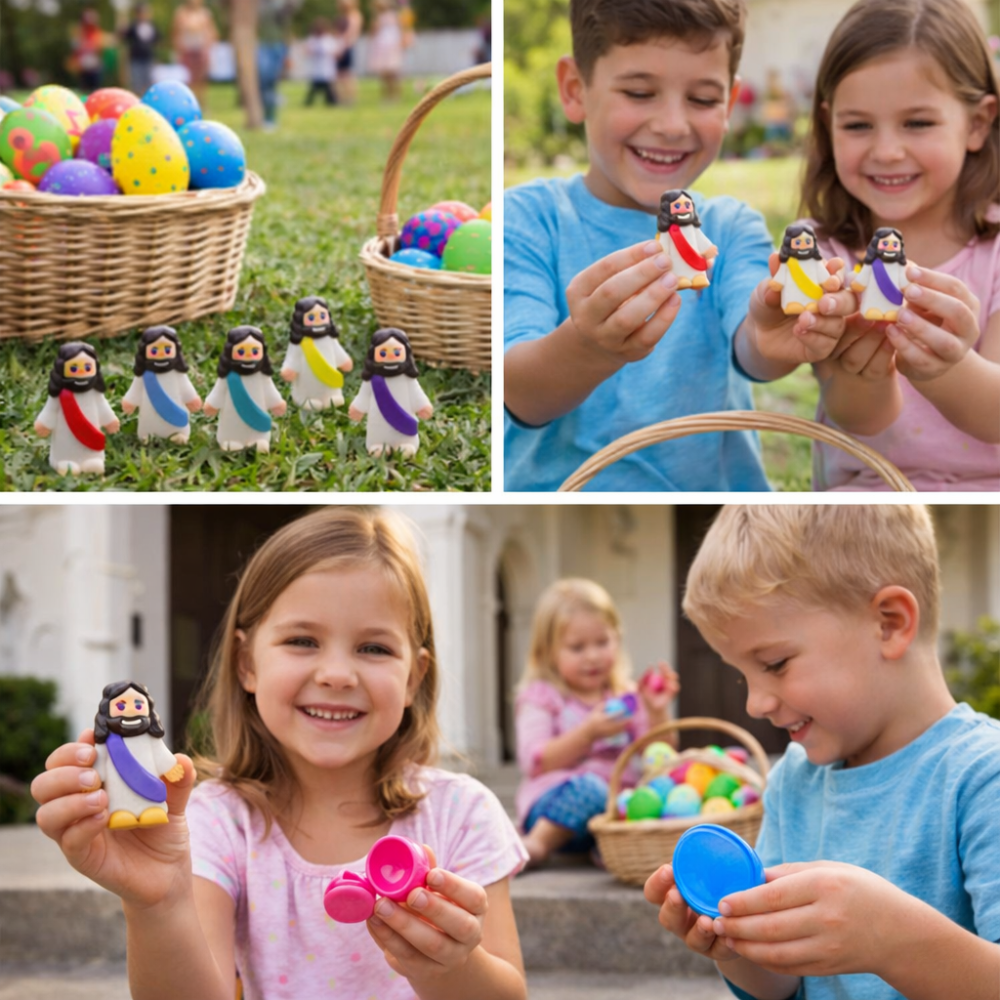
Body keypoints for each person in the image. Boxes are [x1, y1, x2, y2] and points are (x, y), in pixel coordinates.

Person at [30, 507, 530, 1000]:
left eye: (374, 648)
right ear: (247, 663)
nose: (337, 674)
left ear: (413, 679)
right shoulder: (215, 823)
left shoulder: (462, 815)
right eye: (302, 640)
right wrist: (158, 904)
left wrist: (450, 968)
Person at [645, 505, 1000, 1000]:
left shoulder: (984, 776)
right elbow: (785, 987)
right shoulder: (794, 780)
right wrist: (739, 946)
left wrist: (890, 939)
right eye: (743, 674)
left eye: (775, 663)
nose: (755, 702)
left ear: (890, 624)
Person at [503, 0, 859, 491]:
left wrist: (776, 332)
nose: (672, 124)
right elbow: (519, 392)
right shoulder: (528, 220)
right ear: (574, 89)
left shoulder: (731, 228)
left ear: (730, 104)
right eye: (639, 91)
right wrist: (586, 348)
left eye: (702, 99)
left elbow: (754, 347)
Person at [795, 0, 1000, 491]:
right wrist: (860, 371)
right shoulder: (821, 255)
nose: (887, 151)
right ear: (828, 123)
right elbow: (857, 418)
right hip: (868, 489)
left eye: (918, 123)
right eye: (858, 125)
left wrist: (944, 367)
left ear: (977, 123)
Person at [515, 578, 680, 866]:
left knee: (658, 791)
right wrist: (588, 734)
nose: (592, 656)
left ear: (617, 638)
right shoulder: (543, 696)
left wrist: (656, 712)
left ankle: (608, 848)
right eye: (577, 648)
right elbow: (536, 760)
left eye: (602, 642)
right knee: (591, 789)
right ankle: (537, 845)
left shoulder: (625, 695)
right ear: (548, 653)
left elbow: (659, 757)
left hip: (614, 809)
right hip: (554, 806)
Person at [171, 0, 218, 109]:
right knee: (189, 79)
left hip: (201, 49)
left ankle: (202, 104)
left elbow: (212, 32)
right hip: (187, 50)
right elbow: (175, 32)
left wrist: (209, 46)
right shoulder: (181, 13)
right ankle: (189, 103)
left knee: (202, 79)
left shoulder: (205, 13)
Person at [257, 0, 294, 129]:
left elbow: (286, 27)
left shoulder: (279, 4)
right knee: (263, 83)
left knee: (269, 83)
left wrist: (287, 53)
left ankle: (270, 119)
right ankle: (264, 116)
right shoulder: (259, 5)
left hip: (276, 46)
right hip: (261, 45)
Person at [368, 0, 404, 102]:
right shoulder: (378, 18)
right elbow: (373, 32)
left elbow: (400, 31)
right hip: (381, 48)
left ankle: (395, 96)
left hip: (391, 48)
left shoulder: (395, 16)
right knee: (384, 75)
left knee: (393, 74)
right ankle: (387, 97)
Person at [123, 3, 159, 98]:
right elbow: (124, 37)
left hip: (148, 58)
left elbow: (158, 40)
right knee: (136, 83)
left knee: (148, 83)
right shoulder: (133, 26)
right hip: (136, 59)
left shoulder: (152, 26)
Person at [303, 17, 338, 107]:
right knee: (314, 88)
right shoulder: (312, 39)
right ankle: (308, 103)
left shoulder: (328, 39)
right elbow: (306, 51)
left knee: (329, 90)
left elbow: (335, 52)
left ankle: (331, 102)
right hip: (316, 68)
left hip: (326, 68)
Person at [334, 0, 363, 106]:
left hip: (346, 47)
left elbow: (349, 33)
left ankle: (350, 98)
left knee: (346, 74)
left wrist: (340, 47)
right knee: (340, 75)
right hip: (343, 46)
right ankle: (343, 98)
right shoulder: (346, 15)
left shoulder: (354, 15)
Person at [73, 8, 104, 92]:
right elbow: (76, 51)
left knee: (95, 89)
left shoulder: (97, 33)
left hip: (94, 66)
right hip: (84, 67)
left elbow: (100, 49)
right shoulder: (80, 34)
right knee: (84, 89)